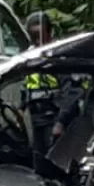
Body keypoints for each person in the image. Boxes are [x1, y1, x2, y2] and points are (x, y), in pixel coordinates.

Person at [20, 11, 86, 174]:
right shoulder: (29, 57)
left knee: (57, 165)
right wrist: (21, 110)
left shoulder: (59, 57)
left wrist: (61, 121)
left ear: (49, 33)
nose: (37, 40)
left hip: (54, 117)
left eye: (39, 34)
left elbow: (73, 91)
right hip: (35, 118)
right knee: (38, 165)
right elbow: (25, 85)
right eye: (32, 35)